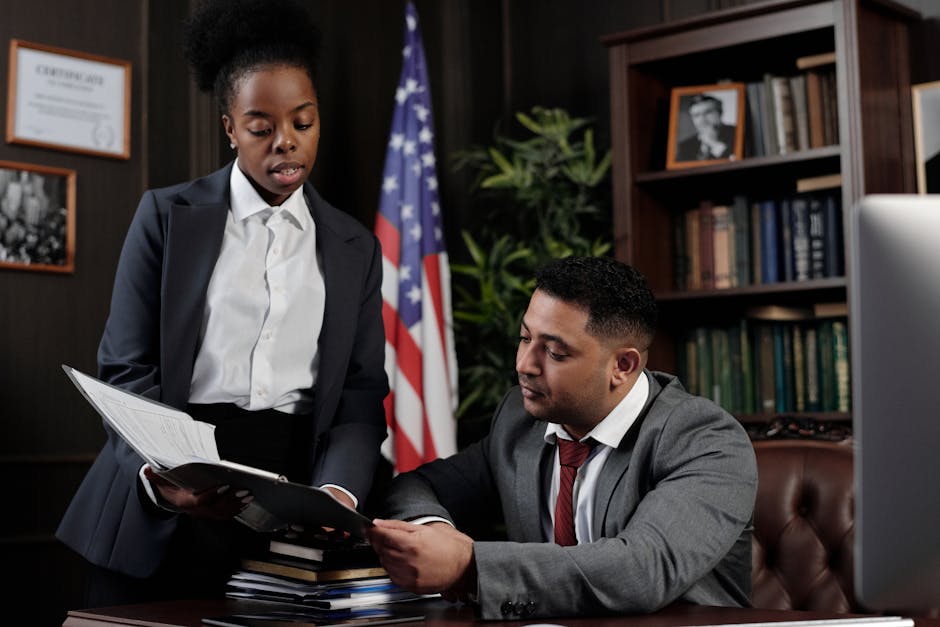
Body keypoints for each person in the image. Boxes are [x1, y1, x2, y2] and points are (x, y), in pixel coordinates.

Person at [56, 0, 388, 606]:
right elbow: (126, 368)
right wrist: (167, 473)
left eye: (304, 122)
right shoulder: (165, 217)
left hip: (292, 505)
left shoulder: (354, 247)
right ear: (230, 128)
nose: (286, 143)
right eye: (261, 127)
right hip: (164, 486)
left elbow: (360, 396)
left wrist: (337, 491)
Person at [366, 256, 757, 620]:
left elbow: (642, 569)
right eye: (524, 338)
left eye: (553, 352)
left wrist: (469, 565)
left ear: (623, 365)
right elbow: (417, 485)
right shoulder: (519, 420)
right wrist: (435, 528)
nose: (524, 365)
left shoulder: (707, 440)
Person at [675, 93, 737, 161]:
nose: (702, 119)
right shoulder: (685, 146)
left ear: (720, 112)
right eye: (696, 115)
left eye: (708, 112)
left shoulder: (737, 133)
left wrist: (714, 144)